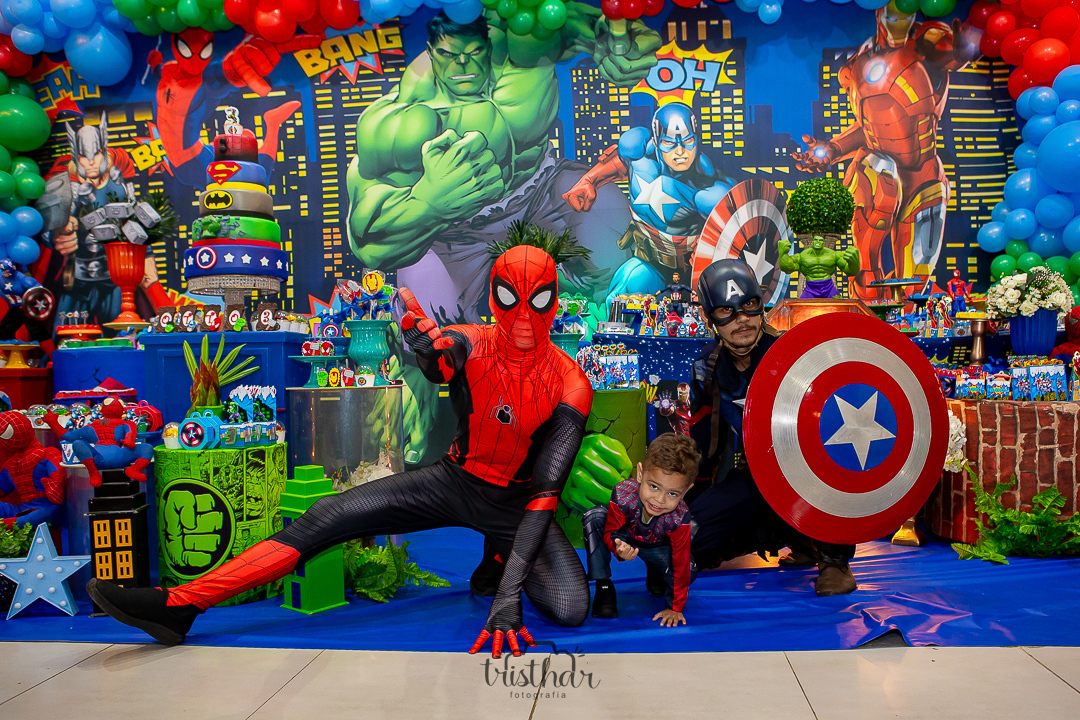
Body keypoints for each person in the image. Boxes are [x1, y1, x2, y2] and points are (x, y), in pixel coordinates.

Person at [87, 245, 593, 659]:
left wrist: (508, 594)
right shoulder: (471, 340)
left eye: (538, 299)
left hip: (516, 504)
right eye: (510, 297)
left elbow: (545, 494)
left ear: (553, 300)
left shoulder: (571, 382)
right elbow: (442, 361)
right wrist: (424, 346)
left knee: (570, 607)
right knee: (326, 515)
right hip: (454, 480)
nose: (523, 316)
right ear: (493, 297)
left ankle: (496, 562)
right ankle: (179, 604)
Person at [687, 259, 858, 596]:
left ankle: (833, 560)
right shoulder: (706, 368)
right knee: (686, 538)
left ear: (761, 307)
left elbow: (835, 437)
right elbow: (703, 445)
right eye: (726, 311)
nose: (741, 319)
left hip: (811, 475)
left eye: (749, 305)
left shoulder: (793, 354)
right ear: (710, 319)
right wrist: (686, 509)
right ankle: (786, 536)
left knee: (831, 474)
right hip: (756, 477)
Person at [564, 103, 733, 305]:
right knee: (622, 298)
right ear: (656, 141)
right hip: (650, 265)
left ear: (697, 139)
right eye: (669, 143)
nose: (680, 152)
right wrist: (590, 180)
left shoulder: (709, 189)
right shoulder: (638, 154)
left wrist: (712, 248)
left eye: (688, 141)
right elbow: (621, 162)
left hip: (695, 276)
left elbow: (739, 228)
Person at [583, 433, 700, 626]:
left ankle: (657, 575)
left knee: (689, 568)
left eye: (672, 493)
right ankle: (604, 586)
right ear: (640, 473)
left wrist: (675, 607)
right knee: (594, 517)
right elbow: (610, 532)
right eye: (654, 486)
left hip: (658, 548)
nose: (659, 500)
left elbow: (680, 562)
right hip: (627, 538)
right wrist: (618, 548)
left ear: (686, 490)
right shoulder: (622, 494)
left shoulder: (680, 517)